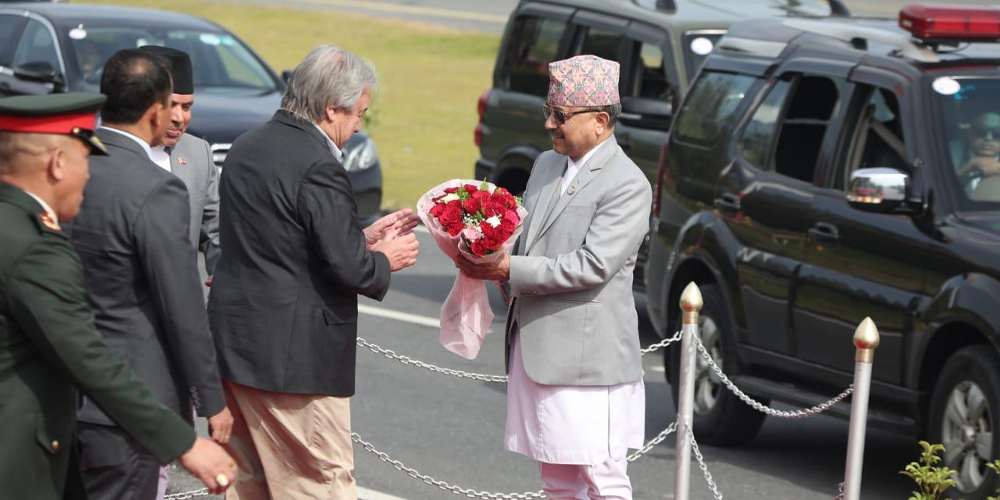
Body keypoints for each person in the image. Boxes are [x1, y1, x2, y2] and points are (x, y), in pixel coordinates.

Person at [0, 92, 236, 500]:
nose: (90, 175)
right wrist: (184, 442)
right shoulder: (34, 247)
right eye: (84, 160)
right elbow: (86, 355)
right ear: (57, 164)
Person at [208, 45, 419, 499]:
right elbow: (349, 268)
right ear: (330, 108)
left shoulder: (248, 146)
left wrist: (359, 237)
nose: (360, 124)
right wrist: (385, 258)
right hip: (294, 361)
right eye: (358, 113)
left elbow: (285, 239)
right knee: (319, 483)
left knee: (247, 482)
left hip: (238, 344)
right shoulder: (318, 163)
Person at [456, 55, 652, 500]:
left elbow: (592, 266)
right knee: (556, 480)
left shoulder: (628, 184)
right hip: (536, 347)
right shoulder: (546, 165)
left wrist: (508, 268)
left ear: (601, 120)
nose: (549, 124)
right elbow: (527, 236)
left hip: (587, 362)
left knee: (602, 480)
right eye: (548, 112)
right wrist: (481, 246)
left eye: (560, 115)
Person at [67, 49, 232, 500]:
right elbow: (182, 307)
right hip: (131, 405)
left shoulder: (70, 164)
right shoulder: (155, 187)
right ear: (156, 110)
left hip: (63, 393)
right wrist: (211, 400)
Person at [138, 45, 222, 278]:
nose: (179, 118)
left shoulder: (198, 152)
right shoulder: (110, 152)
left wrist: (223, 277)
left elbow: (215, 229)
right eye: (170, 105)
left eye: (187, 107)